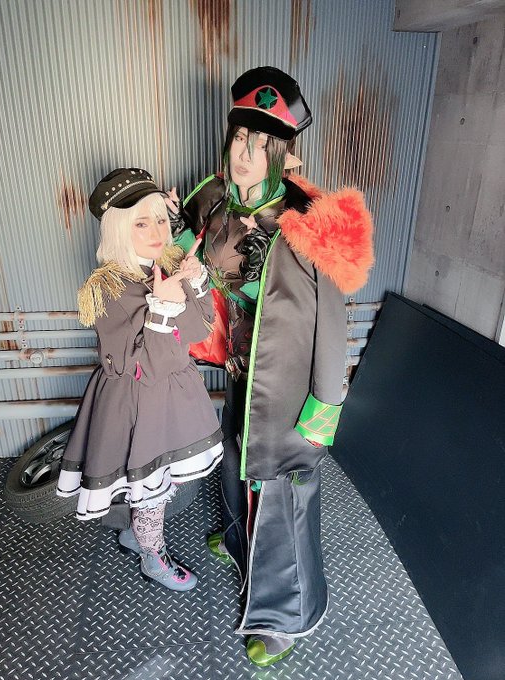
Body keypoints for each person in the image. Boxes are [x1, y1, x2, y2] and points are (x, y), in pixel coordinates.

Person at [171, 66, 374, 664]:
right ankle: (241, 542)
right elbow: (183, 247)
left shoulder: (311, 218)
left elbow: (333, 322)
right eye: (239, 137)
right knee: (238, 459)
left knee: (283, 492)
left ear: (282, 151)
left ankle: (288, 615)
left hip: (288, 387)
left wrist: (325, 405)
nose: (245, 154)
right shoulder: (212, 198)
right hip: (239, 369)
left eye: (260, 145)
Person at [57, 167, 223, 592]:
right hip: (137, 404)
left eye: (161, 220)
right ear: (118, 229)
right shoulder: (105, 288)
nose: (157, 232)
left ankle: (139, 535)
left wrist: (196, 283)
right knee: (150, 486)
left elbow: (199, 329)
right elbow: (139, 366)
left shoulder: (166, 265)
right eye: (141, 223)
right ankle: (152, 557)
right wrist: (161, 311)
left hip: (174, 393)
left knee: (162, 482)